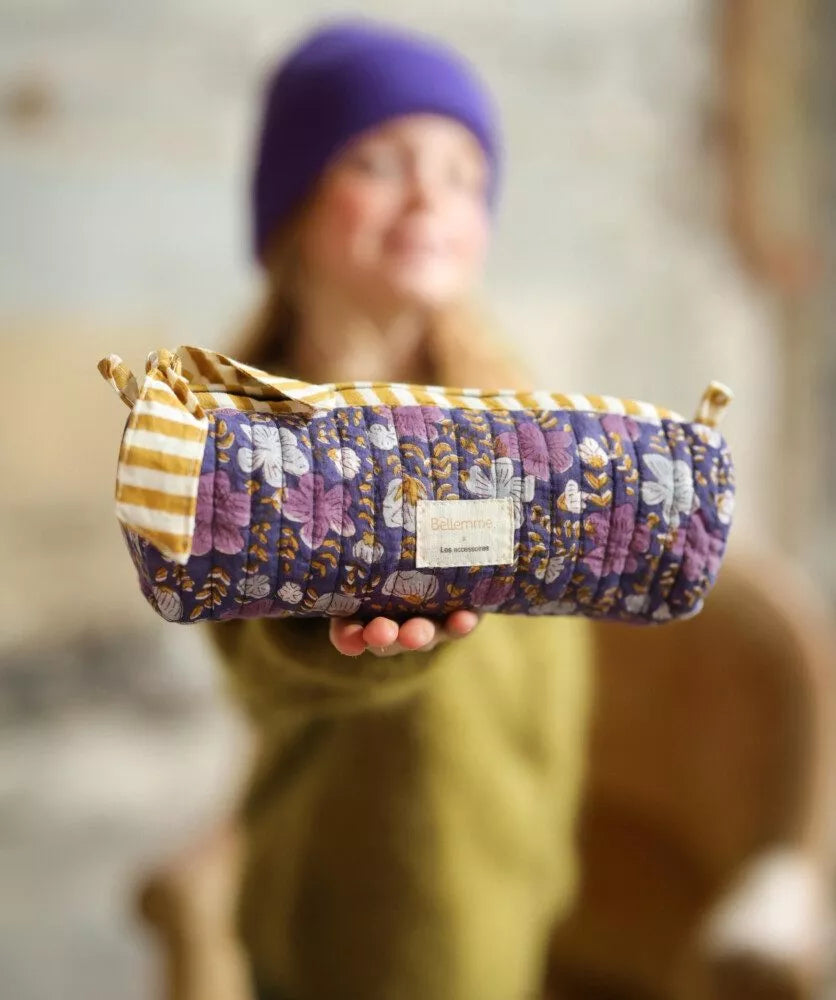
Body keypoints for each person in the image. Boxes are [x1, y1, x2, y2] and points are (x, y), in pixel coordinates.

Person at [194, 17, 596, 1000]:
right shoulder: (250, 434)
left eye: (463, 173)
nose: (431, 196)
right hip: (350, 897)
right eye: (380, 161)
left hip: (507, 869)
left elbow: (553, 652)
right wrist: (318, 626)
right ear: (293, 203)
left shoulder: (512, 403)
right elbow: (255, 666)